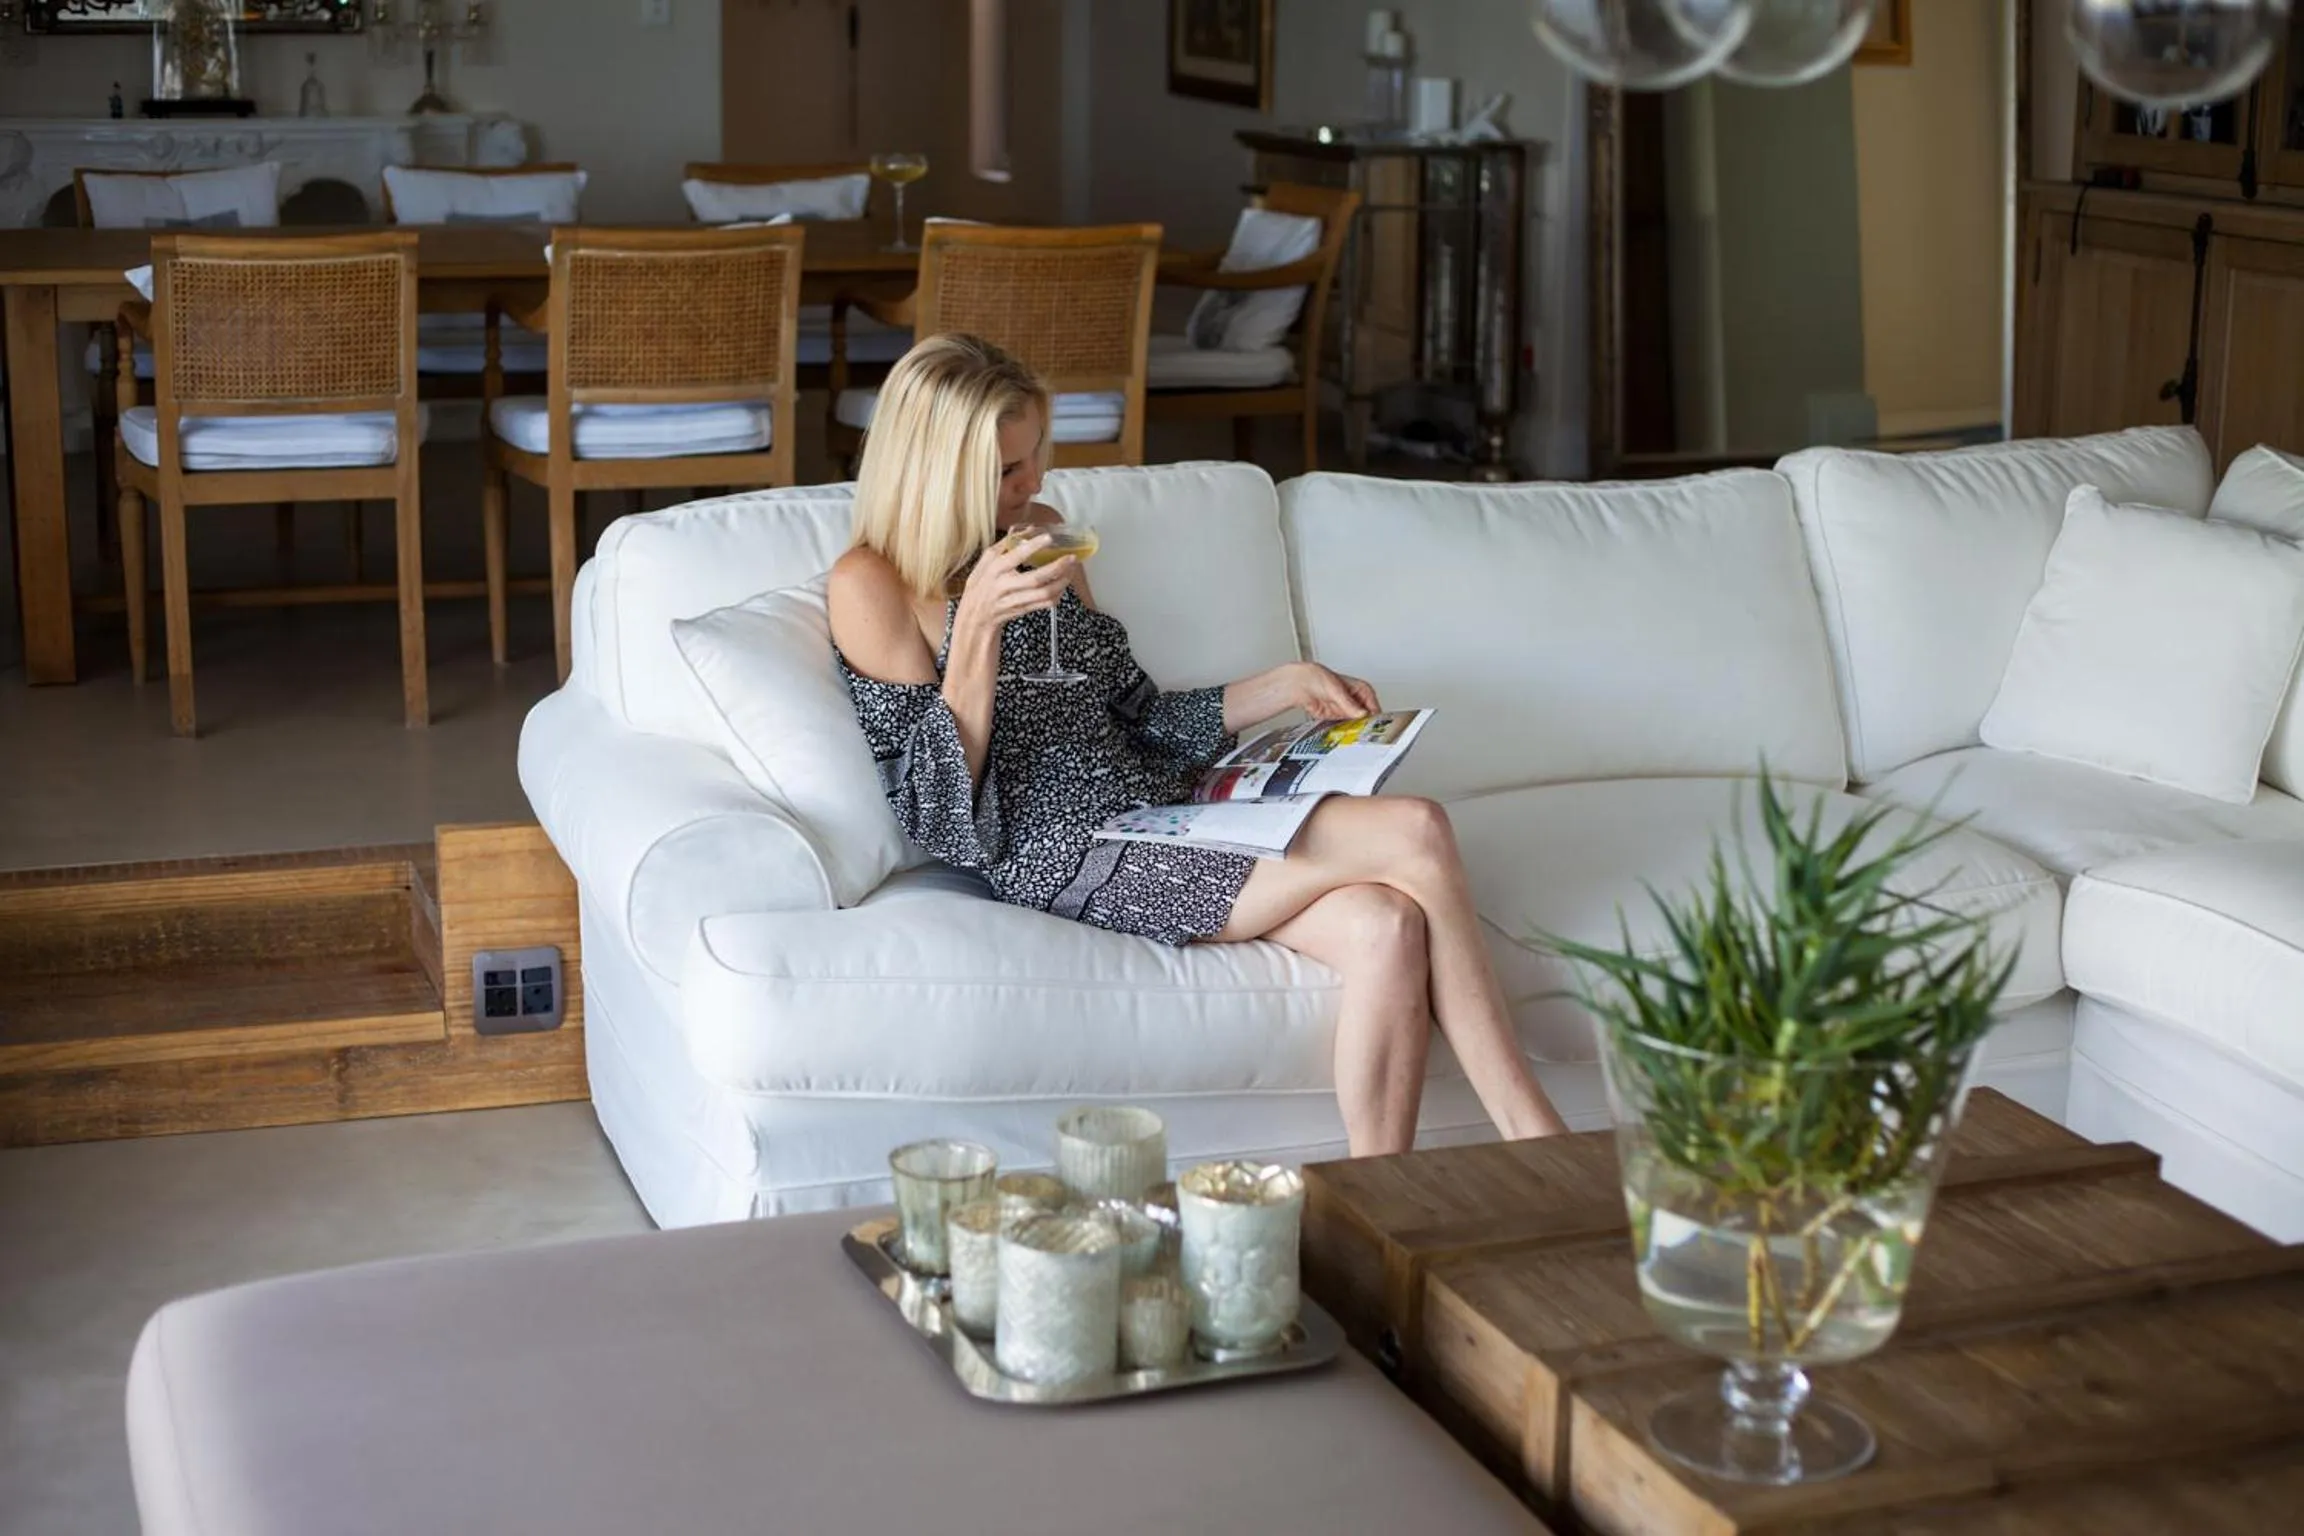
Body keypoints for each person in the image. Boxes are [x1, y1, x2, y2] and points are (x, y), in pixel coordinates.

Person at [827, 334, 1566, 1155]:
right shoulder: (873, 583)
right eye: (1007, 472)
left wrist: (1281, 685)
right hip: (1065, 850)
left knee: (1387, 925)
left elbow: (1138, 715)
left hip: (1165, 805)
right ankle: (1541, 1142)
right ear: (935, 471)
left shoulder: (1041, 536)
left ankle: (1376, 1201)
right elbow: (935, 818)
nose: (1033, 486)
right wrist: (977, 635)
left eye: (1036, 456)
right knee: (1417, 830)